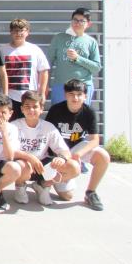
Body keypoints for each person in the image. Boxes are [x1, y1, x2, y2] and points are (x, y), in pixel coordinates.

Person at [45, 79, 109, 211]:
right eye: (71, 94)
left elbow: (95, 140)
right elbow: (46, 136)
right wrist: (61, 158)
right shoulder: (56, 110)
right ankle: (46, 182)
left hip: (75, 148)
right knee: (67, 196)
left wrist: (79, 154)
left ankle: (91, 192)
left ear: (85, 96)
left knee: (103, 156)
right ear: (65, 95)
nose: (75, 98)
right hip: (58, 151)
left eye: (79, 94)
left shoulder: (89, 112)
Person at [12, 90, 80, 206]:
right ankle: (20, 186)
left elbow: (65, 151)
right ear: (22, 109)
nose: (31, 110)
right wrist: (30, 158)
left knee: (74, 167)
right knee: (20, 165)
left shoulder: (48, 127)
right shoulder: (14, 126)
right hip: (24, 165)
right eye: (27, 107)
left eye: (35, 107)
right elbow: (11, 152)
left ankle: (43, 185)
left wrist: (61, 158)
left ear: (41, 109)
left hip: (42, 166)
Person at [0, 19, 50, 121]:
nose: (18, 33)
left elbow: (44, 71)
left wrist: (42, 93)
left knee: (28, 124)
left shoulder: (35, 49)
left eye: (22, 30)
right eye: (15, 30)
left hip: (30, 97)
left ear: (27, 32)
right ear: (10, 32)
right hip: (9, 97)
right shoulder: (2, 50)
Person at [48, 8, 101, 105]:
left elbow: (96, 67)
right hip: (61, 86)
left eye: (82, 21)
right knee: (58, 113)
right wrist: (45, 86)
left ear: (88, 24)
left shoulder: (91, 42)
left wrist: (78, 58)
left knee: (81, 114)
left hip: (83, 86)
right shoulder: (59, 38)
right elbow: (48, 63)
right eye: (75, 20)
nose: (77, 23)